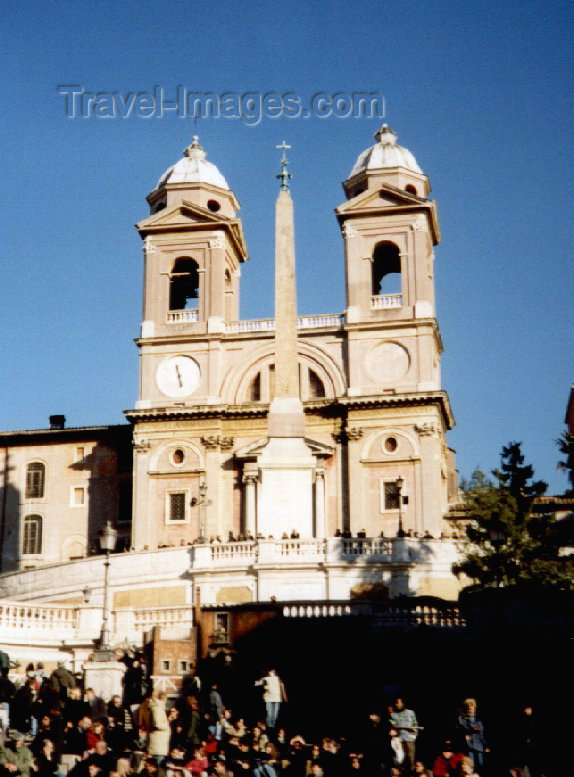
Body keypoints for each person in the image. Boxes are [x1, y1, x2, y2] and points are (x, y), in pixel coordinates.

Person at [456, 699, 486, 770]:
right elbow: (460, 729)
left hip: (479, 745)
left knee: (481, 764)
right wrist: (463, 736)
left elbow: (482, 733)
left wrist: (485, 745)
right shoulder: (461, 719)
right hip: (468, 746)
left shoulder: (478, 719)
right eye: (468, 708)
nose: (470, 709)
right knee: (471, 764)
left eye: (472, 708)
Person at [390, 697, 418, 771]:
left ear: (403, 703)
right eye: (396, 703)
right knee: (401, 759)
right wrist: (392, 722)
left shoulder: (410, 712)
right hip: (399, 740)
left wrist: (414, 735)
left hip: (410, 739)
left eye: (399, 702)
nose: (397, 704)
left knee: (411, 759)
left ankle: (411, 773)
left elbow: (415, 724)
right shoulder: (393, 715)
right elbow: (391, 722)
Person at [147, 692, 170, 760]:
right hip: (158, 743)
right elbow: (158, 724)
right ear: (165, 699)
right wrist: (167, 724)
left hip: (158, 742)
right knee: (158, 764)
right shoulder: (157, 708)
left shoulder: (157, 707)